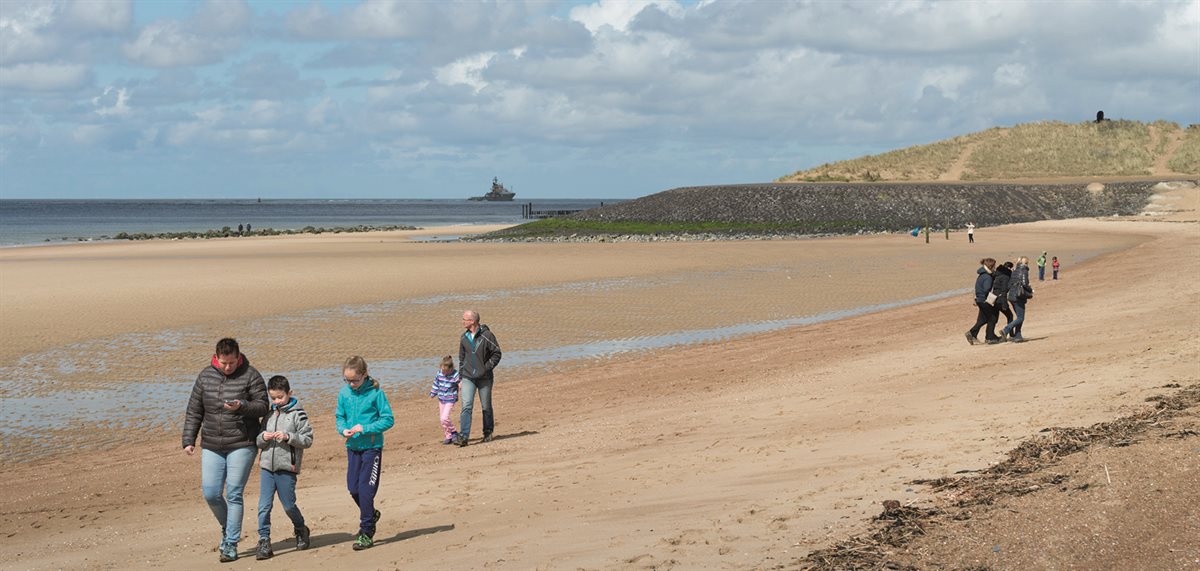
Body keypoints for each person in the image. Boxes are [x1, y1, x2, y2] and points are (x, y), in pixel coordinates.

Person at [182, 337, 270, 563]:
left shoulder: (251, 375)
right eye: (223, 363)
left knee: (233, 493)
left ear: (238, 357)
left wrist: (242, 406)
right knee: (211, 493)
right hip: (211, 443)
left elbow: (263, 406)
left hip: (242, 442)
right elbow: (194, 410)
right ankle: (227, 526)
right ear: (216, 358)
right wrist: (188, 440)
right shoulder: (205, 376)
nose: (227, 367)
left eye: (231, 363)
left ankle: (230, 543)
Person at [335, 356, 394, 551]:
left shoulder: (376, 393)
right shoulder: (344, 394)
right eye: (347, 380)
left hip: (372, 447)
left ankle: (366, 532)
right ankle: (371, 513)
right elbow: (339, 417)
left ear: (364, 375)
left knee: (366, 490)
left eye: (354, 380)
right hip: (353, 447)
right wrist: (343, 429)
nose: (351, 384)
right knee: (353, 489)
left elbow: (388, 420)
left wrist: (365, 428)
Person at [255, 375, 314, 560]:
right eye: (273, 398)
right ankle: (264, 540)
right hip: (266, 467)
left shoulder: (299, 414)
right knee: (264, 507)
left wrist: (289, 436)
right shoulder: (269, 414)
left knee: (288, 506)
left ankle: (300, 528)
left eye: (280, 397)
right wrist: (263, 437)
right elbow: (258, 441)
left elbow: (308, 439)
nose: (277, 401)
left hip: (287, 468)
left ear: (289, 393)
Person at [455, 309, 502, 447]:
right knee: (466, 406)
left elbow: (497, 353)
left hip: (485, 378)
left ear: (473, 321)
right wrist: (461, 377)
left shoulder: (487, 335)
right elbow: (461, 359)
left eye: (465, 319)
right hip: (468, 377)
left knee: (486, 406)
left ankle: (487, 432)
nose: (462, 321)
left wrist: (486, 367)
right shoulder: (463, 338)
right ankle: (463, 436)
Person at [966, 258, 999, 345]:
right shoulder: (987, 277)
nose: (995, 267)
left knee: (982, 319)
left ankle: (972, 334)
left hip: (979, 300)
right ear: (991, 266)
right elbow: (986, 289)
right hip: (984, 300)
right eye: (994, 265)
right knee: (993, 318)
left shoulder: (981, 275)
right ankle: (990, 338)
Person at [1001, 257, 1034, 343]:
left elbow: (1009, 285)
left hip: (1011, 296)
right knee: (1020, 318)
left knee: (1019, 316)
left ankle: (1018, 335)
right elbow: (1024, 283)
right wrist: (1030, 290)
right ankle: (1006, 330)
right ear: (1026, 263)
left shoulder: (1014, 270)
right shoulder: (1024, 270)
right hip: (1018, 296)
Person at [429, 356, 461, 445]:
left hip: (450, 399)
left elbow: (460, 382)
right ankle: (448, 436)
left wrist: (461, 386)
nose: (444, 373)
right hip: (441, 399)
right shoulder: (439, 373)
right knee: (442, 420)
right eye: (443, 370)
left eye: (446, 371)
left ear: (451, 369)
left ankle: (454, 432)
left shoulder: (455, 374)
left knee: (445, 418)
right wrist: (432, 393)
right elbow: (436, 383)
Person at [991, 261, 1015, 336]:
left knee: (993, 318)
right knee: (1010, 316)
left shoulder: (996, 274)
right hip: (1000, 300)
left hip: (993, 298)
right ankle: (1011, 333)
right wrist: (1004, 304)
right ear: (1009, 268)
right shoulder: (1005, 276)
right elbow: (1004, 290)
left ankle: (990, 336)